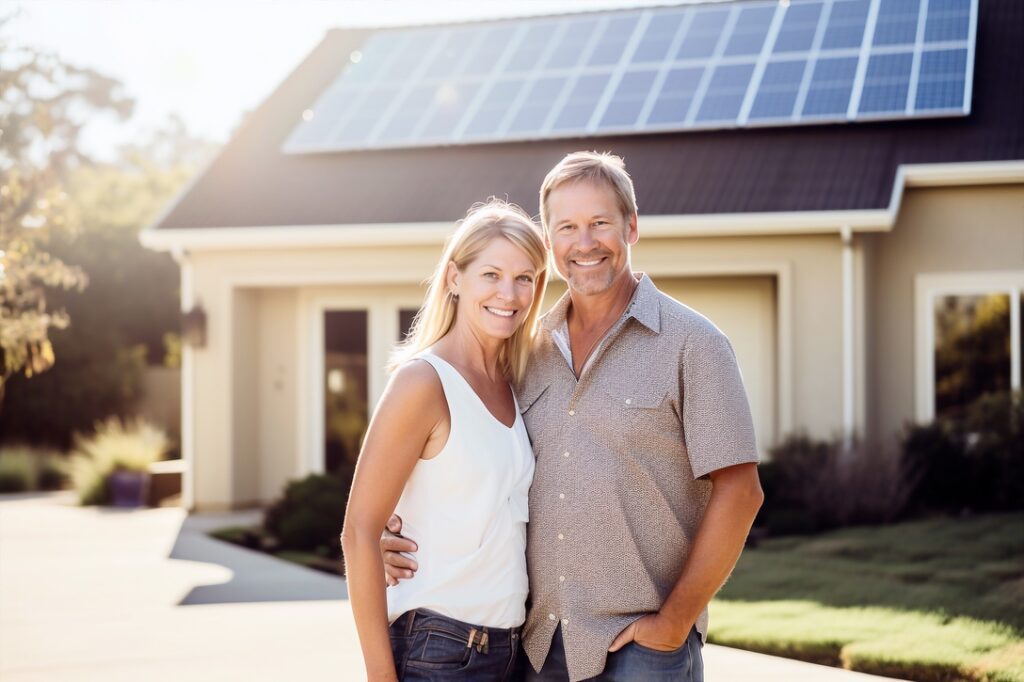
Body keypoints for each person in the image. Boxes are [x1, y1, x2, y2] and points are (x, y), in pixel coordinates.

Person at [381, 151, 765, 682]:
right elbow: (477, 463)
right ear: (549, 241)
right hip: (537, 647)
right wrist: (392, 530)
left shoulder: (693, 344)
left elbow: (741, 491)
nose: (584, 243)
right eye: (567, 227)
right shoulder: (526, 350)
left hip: (642, 648)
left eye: (600, 223)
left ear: (631, 227)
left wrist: (674, 622)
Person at [341, 199, 549, 681]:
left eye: (525, 278)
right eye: (491, 275)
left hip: (510, 650)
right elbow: (359, 531)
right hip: (442, 649)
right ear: (455, 278)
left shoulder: (511, 382)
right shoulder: (423, 382)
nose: (510, 294)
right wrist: (380, 676)